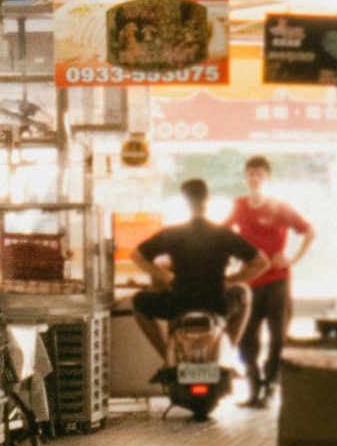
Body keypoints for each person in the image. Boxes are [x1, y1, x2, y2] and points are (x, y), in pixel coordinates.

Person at [131, 178, 261, 386]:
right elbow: (261, 262)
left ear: (186, 201)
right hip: (216, 303)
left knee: (138, 302)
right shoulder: (223, 234)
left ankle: (167, 357)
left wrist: (165, 276)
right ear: (206, 200)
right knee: (245, 293)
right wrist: (232, 280)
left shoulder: (173, 233)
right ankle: (228, 349)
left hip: (178, 303)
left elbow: (136, 255)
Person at [228, 155, 313, 408]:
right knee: (246, 338)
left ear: (268, 178)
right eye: (251, 174)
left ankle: (271, 386)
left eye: (260, 175)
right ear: (245, 177)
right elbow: (223, 233)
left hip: (278, 282)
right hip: (250, 283)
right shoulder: (239, 205)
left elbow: (309, 231)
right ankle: (254, 387)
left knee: (278, 338)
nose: (255, 179)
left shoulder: (280, 207)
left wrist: (292, 259)